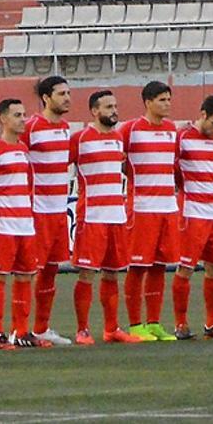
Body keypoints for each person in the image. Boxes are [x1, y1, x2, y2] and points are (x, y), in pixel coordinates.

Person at [70, 91, 144, 344]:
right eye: (108, 106)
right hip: (92, 217)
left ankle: (112, 329)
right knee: (87, 273)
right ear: (94, 111)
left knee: (112, 273)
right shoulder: (79, 139)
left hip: (116, 216)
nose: (114, 110)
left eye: (116, 105)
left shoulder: (117, 138)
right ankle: (83, 329)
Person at [0, 99, 46, 349]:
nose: (23, 119)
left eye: (24, 114)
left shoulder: (24, 150)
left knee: (26, 276)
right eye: (17, 115)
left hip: (25, 224)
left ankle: (22, 332)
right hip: (2, 224)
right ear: (3, 119)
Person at [118, 81, 181, 342]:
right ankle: (135, 324)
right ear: (148, 102)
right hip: (142, 208)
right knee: (138, 266)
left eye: (168, 99)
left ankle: (154, 321)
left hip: (168, 207)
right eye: (162, 100)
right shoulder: (130, 130)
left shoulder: (171, 130)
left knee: (159, 265)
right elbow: (120, 162)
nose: (167, 104)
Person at [171, 94, 213, 340]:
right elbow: (174, 171)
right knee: (186, 268)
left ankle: (212, 323)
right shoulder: (183, 137)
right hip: (191, 212)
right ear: (203, 114)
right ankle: (181, 324)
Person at [25, 75, 75, 345]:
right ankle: (19, 330)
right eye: (61, 94)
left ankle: (41, 327)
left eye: (68, 93)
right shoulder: (30, 127)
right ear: (46, 98)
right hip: (37, 211)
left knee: (51, 270)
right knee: (31, 270)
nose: (67, 98)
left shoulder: (66, 128)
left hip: (59, 211)